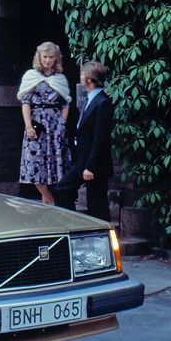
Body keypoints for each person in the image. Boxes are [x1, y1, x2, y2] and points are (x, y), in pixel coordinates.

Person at [52, 60, 114, 221]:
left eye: (82, 74)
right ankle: (74, 225)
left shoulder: (102, 102)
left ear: (89, 79)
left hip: (93, 164)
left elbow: (100, 138)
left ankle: (90, 230)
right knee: (65, 190)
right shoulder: (90, 99)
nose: (80, 77)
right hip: (83, 159)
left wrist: (90, 167)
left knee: (96, 204)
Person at [17, 42, 71, 205]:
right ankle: (50, 199)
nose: (47, 60)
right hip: (37, 125)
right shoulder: (30, 76)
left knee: (54, 165)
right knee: (34, 164)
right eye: (45, 57)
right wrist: (28, 126)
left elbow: (65, 104)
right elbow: (26, 103)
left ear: (56, 59)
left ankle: (47, 207)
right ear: (39, 57)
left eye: (51, 57)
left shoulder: (60, 79)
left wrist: (62, 123)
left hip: (55, 127)